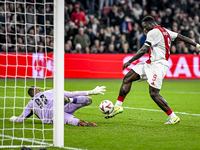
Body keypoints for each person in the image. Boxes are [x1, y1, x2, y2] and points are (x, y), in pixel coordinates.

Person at [105, 16, 200, 124]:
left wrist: (130, 61)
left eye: (145, 27)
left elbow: (144, 49)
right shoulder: (165, 31)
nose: (144, 30)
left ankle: (173, 116)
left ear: (150, 24)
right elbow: (181, 37)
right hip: (150, 64)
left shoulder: (153, 32)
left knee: (154, 94)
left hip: (159, 65)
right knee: (127, 78)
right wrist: (196, 45)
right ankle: (118, 107)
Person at [9, 86, 106, 127]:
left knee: (69, 119)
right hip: (64, 106)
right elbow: (72, 93)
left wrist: (13, 119)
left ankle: (79, 122)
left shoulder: (30, 104)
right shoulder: (50, 91)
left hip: (53, 116)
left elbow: (21, 118)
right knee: (88, 100)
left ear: (31, 95)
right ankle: (69, 101)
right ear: (38, 89)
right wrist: (91, 92)